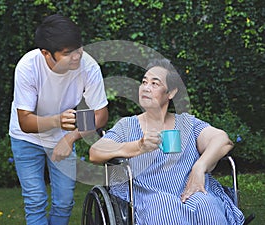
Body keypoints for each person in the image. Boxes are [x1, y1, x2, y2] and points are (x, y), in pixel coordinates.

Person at [89, 58, 245, 224]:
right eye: (144, 82)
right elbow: (96, 152)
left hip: (189, 190)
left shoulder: (187, 124)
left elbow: (222, 140)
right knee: (166, 209)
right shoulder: (127, 125)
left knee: (207, 206)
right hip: (149, 195)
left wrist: (200, 167)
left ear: (171, 93)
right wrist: (138, 146)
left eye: (155, 84)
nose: (146, 88)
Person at [9, 14, 108, 225]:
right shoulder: (28, 66)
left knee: (64, 202)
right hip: (26, 139)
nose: (76, 57)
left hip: (63, 137)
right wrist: (56, 121)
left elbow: (100, 115)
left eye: (78, 49)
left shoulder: (88, 67)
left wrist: (70, 138)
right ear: (46, 53)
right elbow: (25, 122)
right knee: (35, 201)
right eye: (67, 53)